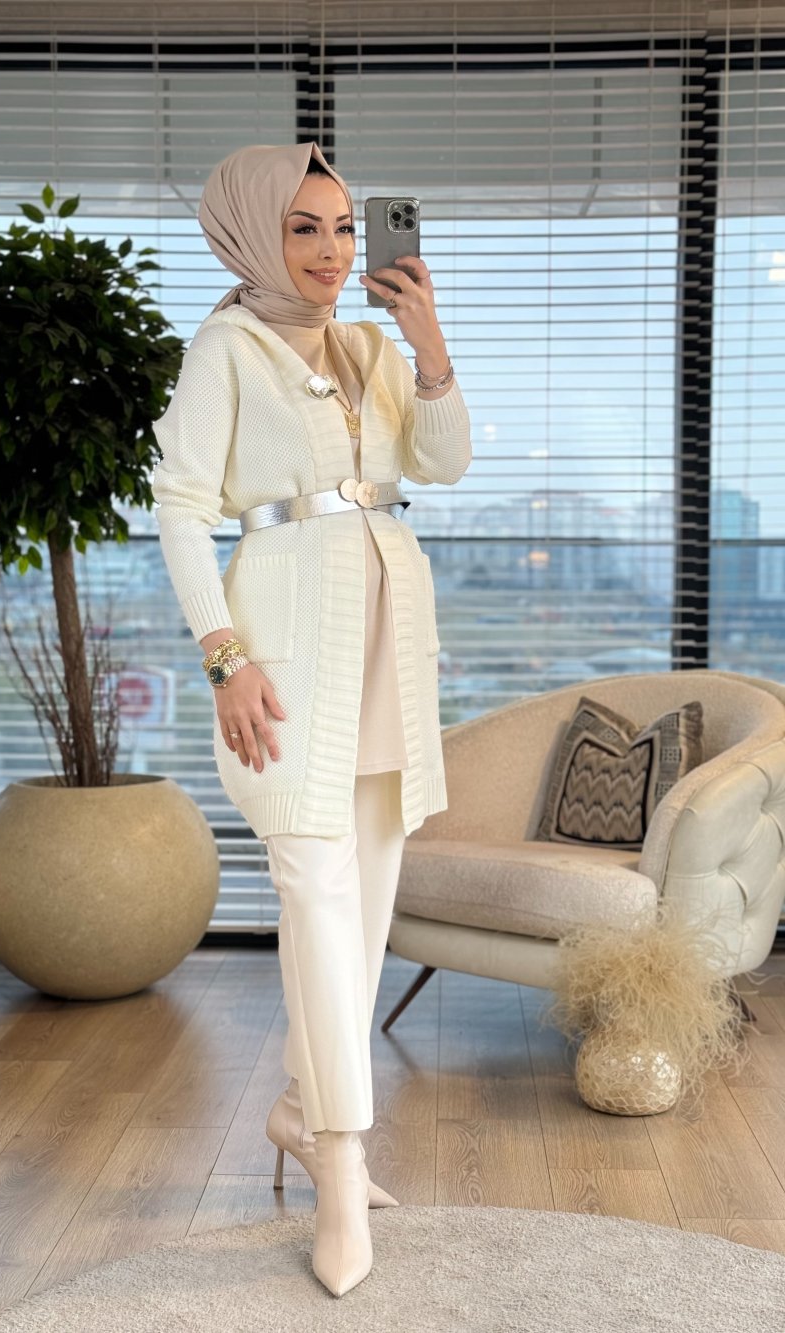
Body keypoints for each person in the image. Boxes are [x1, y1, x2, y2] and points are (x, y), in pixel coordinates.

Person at [150, 141, 471, 1297]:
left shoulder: (372, 347)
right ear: (252, 233)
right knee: (317, 894)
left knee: (367, 896)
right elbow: (179, 505)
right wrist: (223, 657)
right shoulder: (224, 350)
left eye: (343, 228)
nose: (332, 252)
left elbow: (443, 463)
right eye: (304, 228)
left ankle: (300, 1103)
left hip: (389, 631)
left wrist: (428, 343)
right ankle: (341, 1163)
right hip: (281, 641)